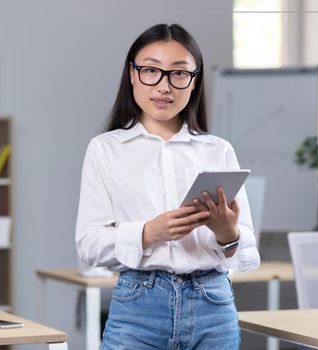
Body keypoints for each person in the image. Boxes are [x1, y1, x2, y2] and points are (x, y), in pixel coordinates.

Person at [75, 23, 260, 350]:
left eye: (178, 74)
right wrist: (149, 232)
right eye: (151, 71)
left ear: (194, 81)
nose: (164, 86)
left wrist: (226, 232)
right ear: (132, 75)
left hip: (212, 304)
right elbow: (89, 245)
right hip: (139, 305)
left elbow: (244, 254)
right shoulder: (105, 149)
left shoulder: (218, 150)